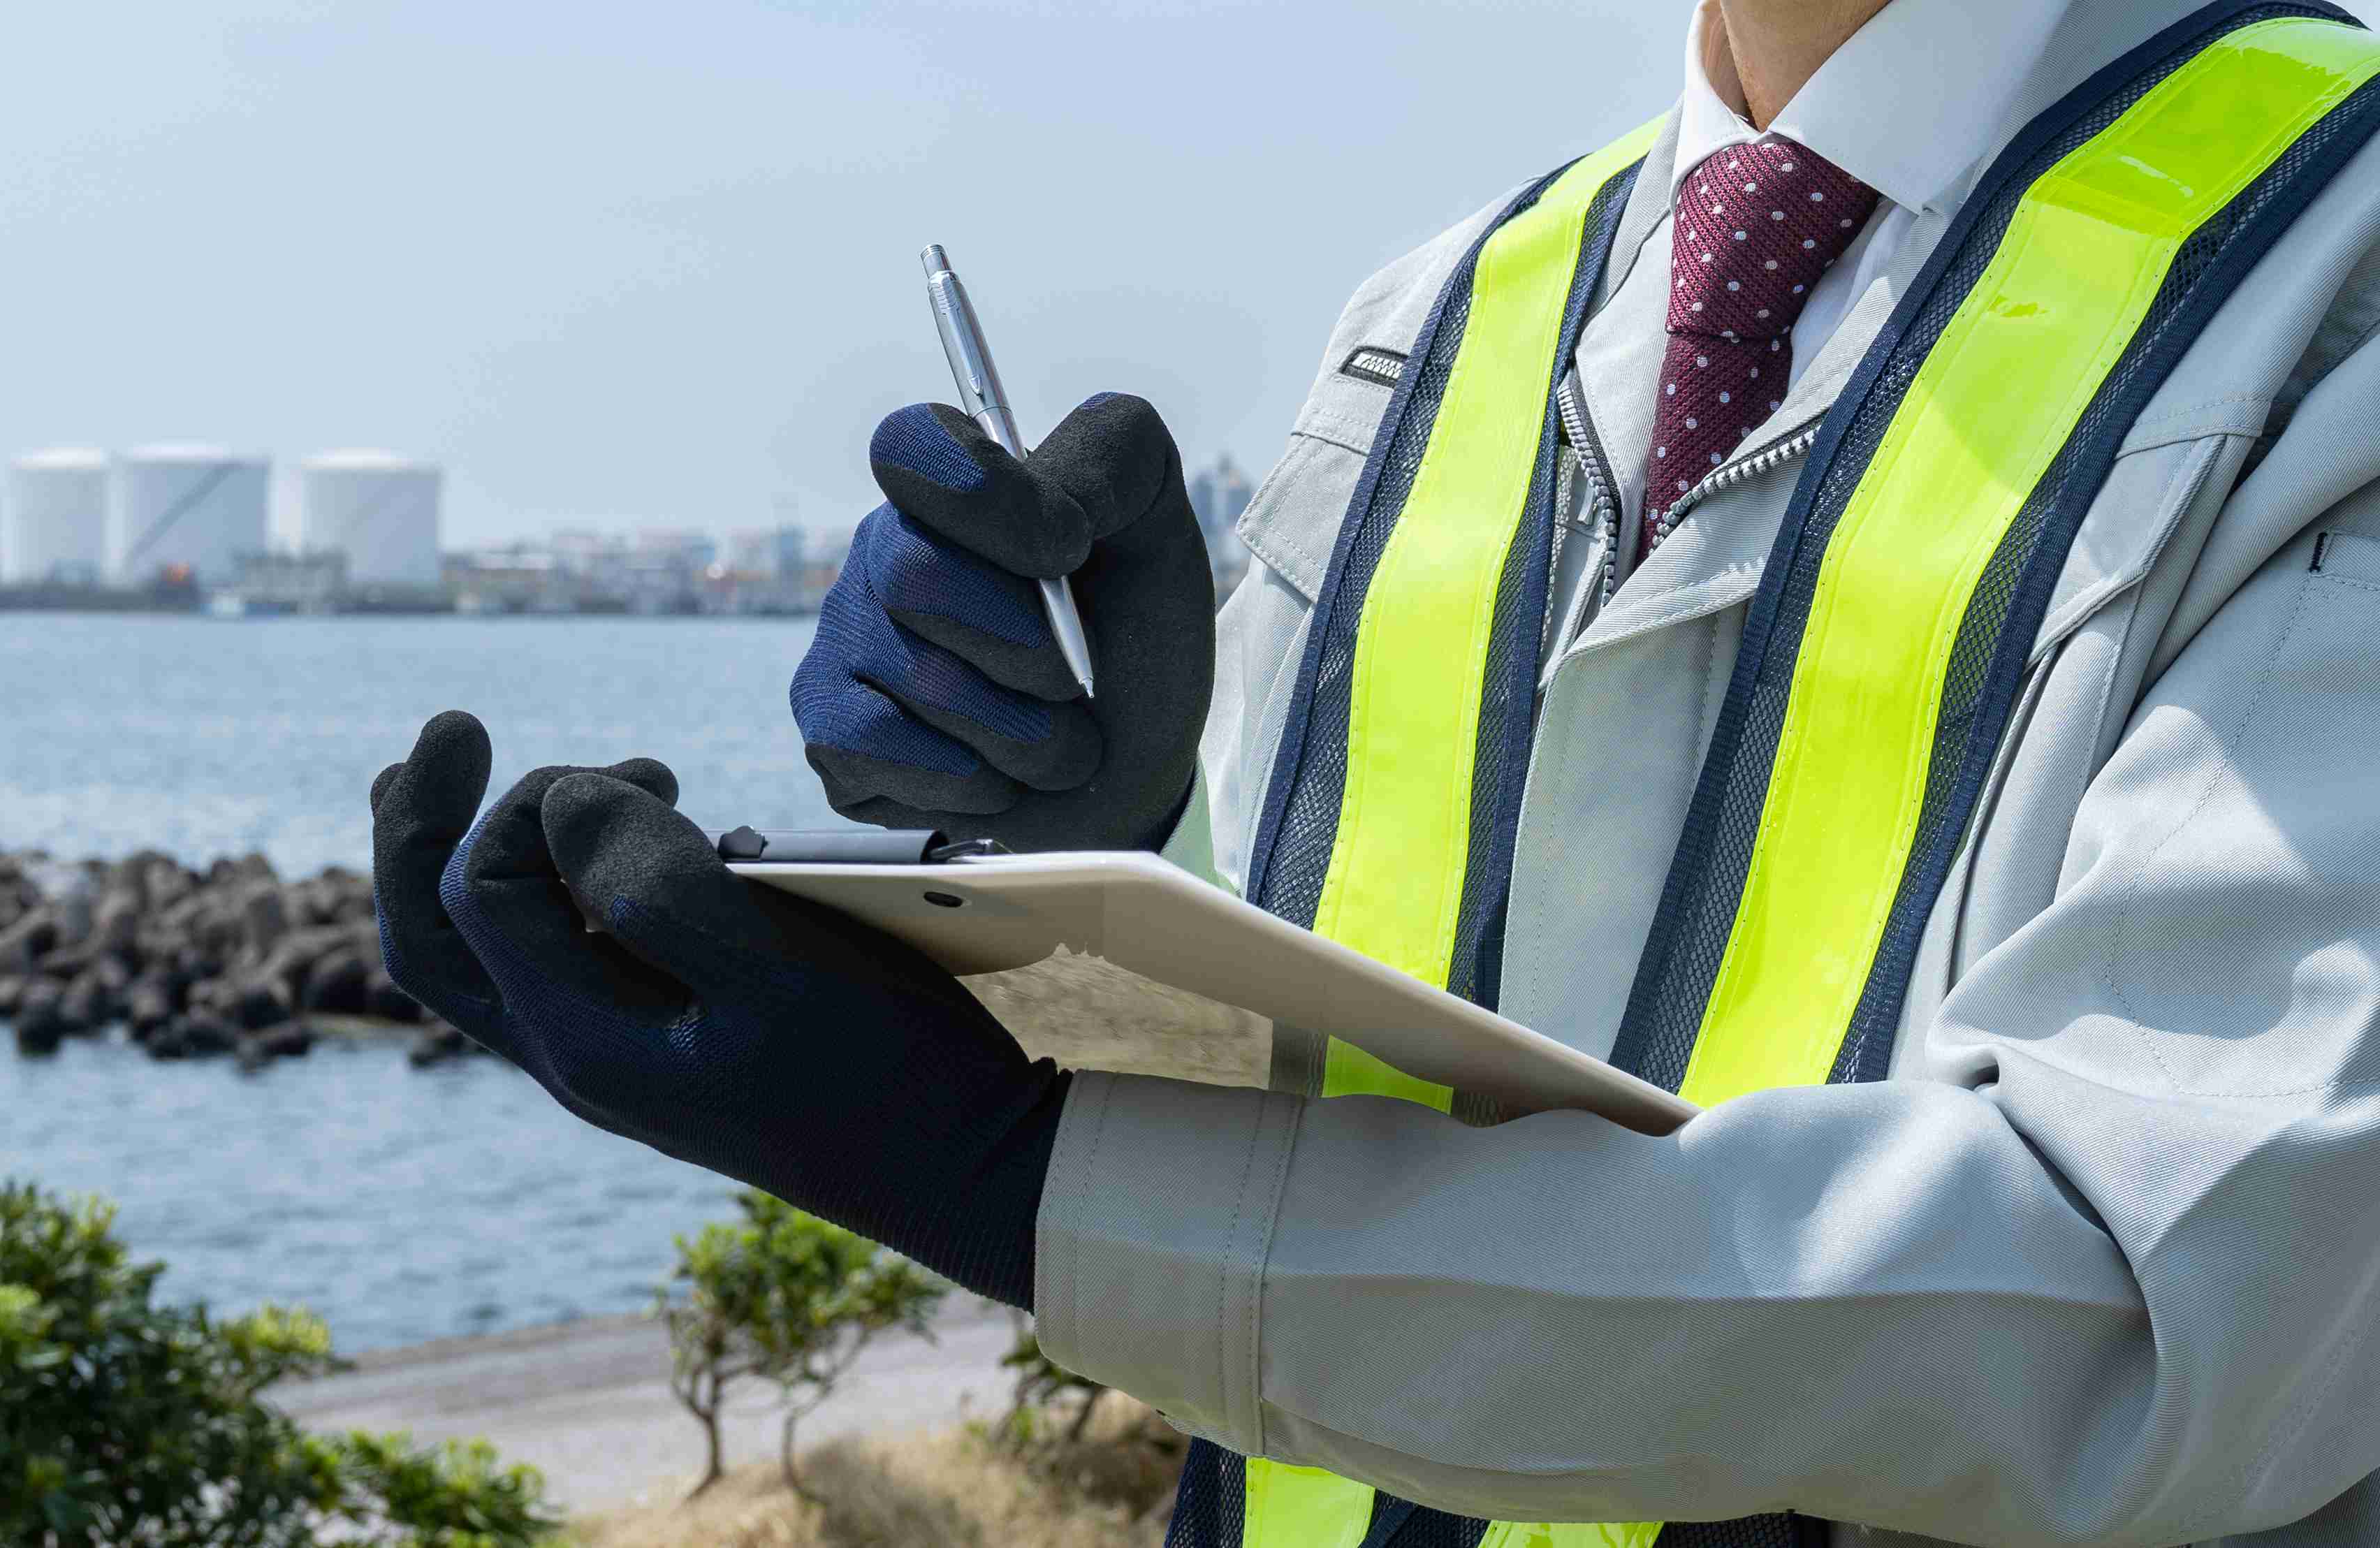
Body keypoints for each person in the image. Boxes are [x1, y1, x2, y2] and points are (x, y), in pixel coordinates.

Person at [371, 0, 2380, 1542]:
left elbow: (2164, 1294)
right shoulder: (1452, 307)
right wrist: (1094, 856)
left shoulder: (2340, 256)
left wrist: (1013, 1176)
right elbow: (1333, 1060)